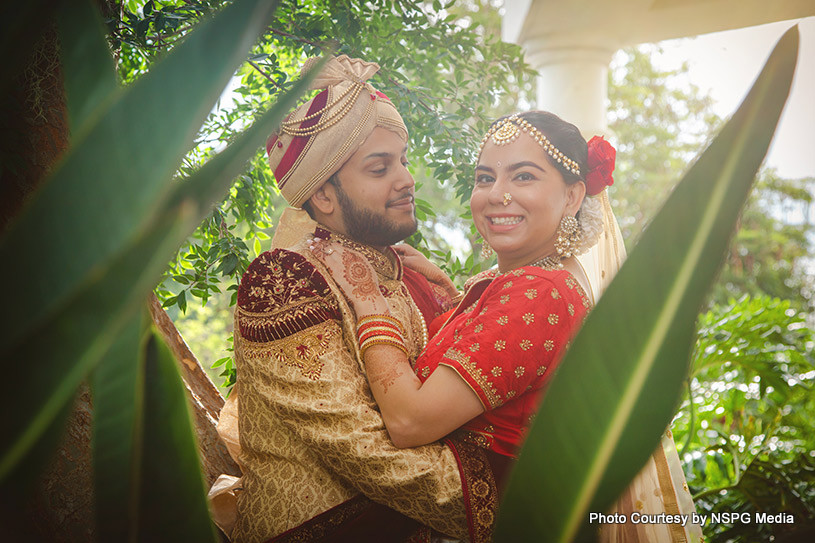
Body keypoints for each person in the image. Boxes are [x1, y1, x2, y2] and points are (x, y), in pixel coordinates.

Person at [314, 110, 703, 541]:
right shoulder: (524, 283)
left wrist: (369, 301)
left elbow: (411, 423)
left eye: (523, 177)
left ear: (574, 197)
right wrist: (446, 292)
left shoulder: (540, 292)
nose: (497, 195)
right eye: (485, 178)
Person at [209, 55, 498, 543]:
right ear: (323, 196)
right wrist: (508, 498)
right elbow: (359, 446)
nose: (406, 179)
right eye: (380, 167)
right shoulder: (285, 279)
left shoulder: (407, 273)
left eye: (402, 160)